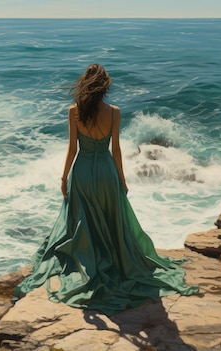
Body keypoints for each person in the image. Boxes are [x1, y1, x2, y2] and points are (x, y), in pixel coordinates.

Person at [12, 63, 199, 315]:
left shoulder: (74, 111)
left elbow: (72, 149)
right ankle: (113, 258)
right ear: (105, 87)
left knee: (84, 220)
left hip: (83, 171)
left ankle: (89, 259)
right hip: (107, 172)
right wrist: (121, 179)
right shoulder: (114, 112)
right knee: (111, 219)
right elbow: (116, 149)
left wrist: (64, 177)